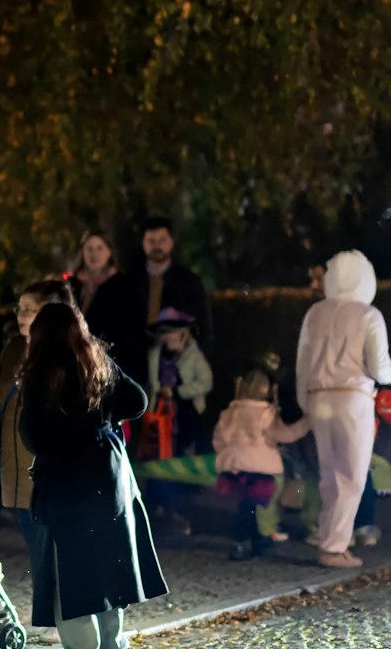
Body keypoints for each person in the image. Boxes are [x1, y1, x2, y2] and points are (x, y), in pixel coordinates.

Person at [19, 303, 167, 649]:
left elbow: (33, 437)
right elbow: (137, 401)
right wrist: (101, 420)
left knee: (68, 565)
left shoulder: (40, 375)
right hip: (105, 475)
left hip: (65, 479)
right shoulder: (96, 363)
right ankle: (113, 648)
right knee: (106, 558)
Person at [0, 278, 73, 635]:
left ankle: (65, 617)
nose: (21, 314)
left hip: (46, 466)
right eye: (20, 308)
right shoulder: (16, 346)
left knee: (52, 547)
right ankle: (56, 616)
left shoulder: (62, 352)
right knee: (35, 545)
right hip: (15, 467)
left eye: (30, 308)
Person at [297, 250, 391, 570]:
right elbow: (380, 368)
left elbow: (302, 361)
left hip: (318, 397)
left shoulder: (315, 313)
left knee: (328, 474)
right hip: (353, 398)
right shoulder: (369, 314)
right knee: (352, 475)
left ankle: (329, 538)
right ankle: (334, 546)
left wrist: (304, 402)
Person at [212, 370, 311, 561]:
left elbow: (219, 439)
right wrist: (306, 423)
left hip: (234, 466)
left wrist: (228, 454)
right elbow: (283, 435)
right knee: (259, 507)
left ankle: (241, 542)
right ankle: (259, 542)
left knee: (245, 506)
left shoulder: (229, 412)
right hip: (260, 467)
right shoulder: (267, 413)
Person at [107, 218, 214, 385]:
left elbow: (204, 326)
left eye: (162, 240)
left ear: (171, 243)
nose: (157, 245)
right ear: (143, 244)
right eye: (151, 241)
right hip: (134, 367)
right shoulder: (128, 282)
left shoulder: (188, 282)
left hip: (176, 367)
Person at [145, 308, 215, 454]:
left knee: (183, 449)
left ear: (183, 334)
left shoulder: (194, 355)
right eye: (164, 332)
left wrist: (178, 392)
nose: (168, 336)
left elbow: (206, 382)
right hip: (159, 413)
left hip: (185, 414)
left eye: (172, 331)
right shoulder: (155, 354)